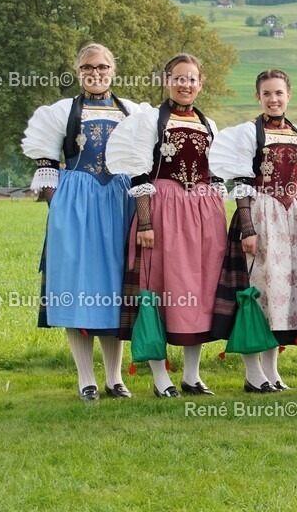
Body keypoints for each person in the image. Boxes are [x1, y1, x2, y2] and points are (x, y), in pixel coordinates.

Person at [21, 43, 140, 400]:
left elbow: (141, 162)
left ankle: (115, 378)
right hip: (76, 201)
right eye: (89, 67)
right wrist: (59, 207)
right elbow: (45, 164)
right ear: (78, 70)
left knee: (113, 288)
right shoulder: (62, 111)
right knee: (77, 286)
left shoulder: (130, 111)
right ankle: (86, 379)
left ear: (113, 70)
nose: (96, 72)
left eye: (103, 66)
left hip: (118, 200)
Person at [106, 53, 227, 398]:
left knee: (201, 291)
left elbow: (216, 175)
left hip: (204, 213)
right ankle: (161, 377)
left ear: (201, 84)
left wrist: (217, 211)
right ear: (166, 80)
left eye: (192, 79)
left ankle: (192, 375)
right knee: (158, 288)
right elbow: (141, 173)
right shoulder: (149, 122)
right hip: (164, 210)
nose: (185, 84)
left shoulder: (209, 124)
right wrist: (144, 222)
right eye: (179, 78)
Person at [210, 69, 297, 393]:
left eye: (279, 93)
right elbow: (241, 184)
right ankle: (253, 373)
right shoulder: (248, 133)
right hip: (260, 215)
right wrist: (247, 228)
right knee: (257, 295)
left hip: (294, 218)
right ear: (258, 96)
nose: (274, 99)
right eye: (267, 93)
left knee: (282, 298)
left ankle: (272, 371)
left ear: (289, 95)